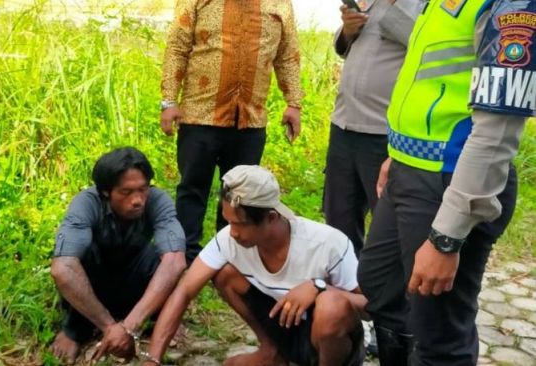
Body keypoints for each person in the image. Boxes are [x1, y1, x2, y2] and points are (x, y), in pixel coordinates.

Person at [357, 0, 535, 365]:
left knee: (440, 336)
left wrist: (446, 238)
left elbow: (497, 135)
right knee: (380, 286)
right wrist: (398, 152)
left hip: (452, 182)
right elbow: (426, 83)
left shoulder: (511, 6)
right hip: (409, 169)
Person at [139, 165, 368, 366]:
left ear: (271, 217)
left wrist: (319, 287)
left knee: (331, 305)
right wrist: (153, 359)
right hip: (285, 330)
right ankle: (272, 352)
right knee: (225, 274)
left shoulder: (327, 243)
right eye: (229, 222)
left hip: (333, 343)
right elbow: (184, 291)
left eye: (241, 224)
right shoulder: (229, 238)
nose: (233, 232)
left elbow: (368, 306)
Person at [160, 0, 304, 264]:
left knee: (240, 194)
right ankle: (185, 259)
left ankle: (227, 257)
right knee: (192, 189)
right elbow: (177, 49)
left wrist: (294, 102)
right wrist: (169, 101)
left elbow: (287, 54)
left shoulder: (280, 4)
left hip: (250, 119)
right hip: (200, 114)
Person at [49, 147, 187, 363]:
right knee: (82, 256)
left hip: (135, 285)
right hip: (96, 283)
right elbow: (62, 268)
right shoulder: (86, 204)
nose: (137, 200)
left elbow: (176, 261)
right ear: (106, 192)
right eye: (126, 192)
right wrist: (111, 327)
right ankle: (75, 329)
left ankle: (160, 320)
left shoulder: (158, 200)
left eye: (143, 189)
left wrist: (129, 327)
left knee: (164, 256)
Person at [324, 0, 421, 256]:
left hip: (383, 132)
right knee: (339, 215)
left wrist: (392, 6)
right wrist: (348, 30)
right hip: (344, 123)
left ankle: (386, 291)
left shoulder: (425, 5)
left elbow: (421, 44)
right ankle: (345, 285)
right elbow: (343, 48)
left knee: (386, 221)